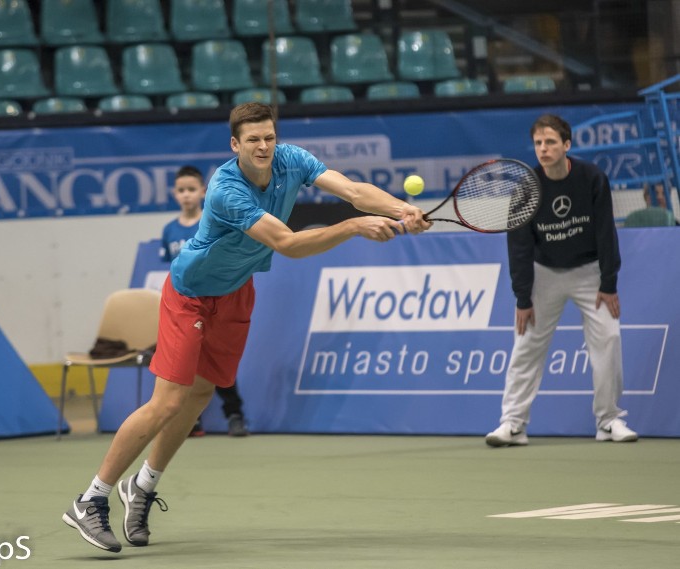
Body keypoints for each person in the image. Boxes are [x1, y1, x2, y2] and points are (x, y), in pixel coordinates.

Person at [62, 102, 431, 553]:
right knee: (168, 402)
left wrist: (402, 209)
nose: (263, 146)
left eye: (269, 137)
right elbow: (288, 244)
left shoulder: (291, 159)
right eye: (253, 139)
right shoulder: (225, 190)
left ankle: (142, 487)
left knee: (199, 397)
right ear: (235, 144)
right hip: (191, 293)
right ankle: (91, 498)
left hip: (236, 291)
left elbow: (353, 190)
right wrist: (353, 227)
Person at [485, 114, 638, 448]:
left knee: (608, 339)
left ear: (566, 145)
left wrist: (608, 283)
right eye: (539, 143)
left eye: (551, 142)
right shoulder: (526, 187)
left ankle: (609, 420)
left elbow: (605, 233)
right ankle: (513, 424)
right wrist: (523, 298)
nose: (543, 148)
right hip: (544, 274)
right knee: (526, 345)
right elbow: (519, 246)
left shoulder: (592, 178)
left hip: (590, 272)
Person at [161, 165, 249, 438]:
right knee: (184, 367)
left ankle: (234, 413)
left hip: (216, 303)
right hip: (185, 306)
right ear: (174, 194)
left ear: (203, 191)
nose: (186, 195)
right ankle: (190, 420)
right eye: (181, 190)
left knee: (216, 366)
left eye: (191, 189)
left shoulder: (211, 222)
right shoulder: (169, 230)